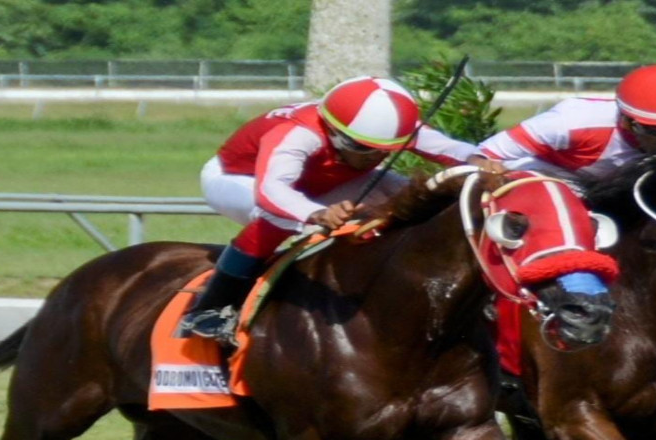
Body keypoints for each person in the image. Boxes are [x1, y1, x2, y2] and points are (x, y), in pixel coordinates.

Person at [183, 75, 505, 342]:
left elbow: (452, 150)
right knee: (275, 217)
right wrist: (317, 214)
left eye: (383, 152)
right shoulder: (297, 133)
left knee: (413, 199)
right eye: (362, 149)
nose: (372, 158)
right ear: (333, 131)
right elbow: (272, 191)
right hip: (240, 179)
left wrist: (478, 161)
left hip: (322, 180)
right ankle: (209, 308)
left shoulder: (389, 129)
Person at [477, 63, 656, 181]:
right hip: (548, 180)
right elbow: (484, 155)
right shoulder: (570, 122)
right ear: (627, 121)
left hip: (619, 189)